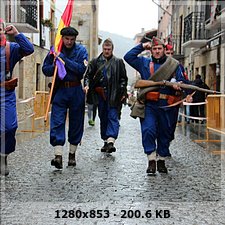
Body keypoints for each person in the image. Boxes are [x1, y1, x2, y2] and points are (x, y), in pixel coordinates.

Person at [124, 37, 191, 175]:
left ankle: (161, 159)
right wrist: (142, 46)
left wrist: (178, 85)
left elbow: (183, 80)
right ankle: (151, 159)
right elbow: (128, 57)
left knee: (165, 133)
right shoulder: (144, 63)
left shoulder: (174, 65)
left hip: (168, 105)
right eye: (154, 49)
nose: (157, 51)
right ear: (151, 50)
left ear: (164, 50)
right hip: (149, 104)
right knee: (148, 130)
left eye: (159, 49)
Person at [42, 26, 88, 169]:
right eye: (66, 39)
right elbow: (45, 69)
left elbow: (81, 69)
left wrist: (64, 60)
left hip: (75, 89)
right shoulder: (55, 50)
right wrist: (55, 64)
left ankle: (72, 155)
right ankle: (58, 156)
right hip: (60, 89)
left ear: (75, 39)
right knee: (57, 121)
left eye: (72, 39)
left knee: (76, 122)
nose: (69, 42)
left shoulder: (81, 51)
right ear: (62, 38)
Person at [0, 19, 34, 176]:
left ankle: (3, 155)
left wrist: (17, 34)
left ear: (4, 30)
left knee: (10, 127)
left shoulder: (10, 48)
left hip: (5, 94)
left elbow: (29, 49)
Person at [84, 38, 128, 153]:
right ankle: (105, 140)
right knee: (103, 118)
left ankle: (111, 141)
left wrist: (122, 91)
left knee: (113, 117)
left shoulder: (118, 62)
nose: (106, 51)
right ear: (102, 49)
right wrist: (87, 85)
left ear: (112, 49)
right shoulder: (95, 62)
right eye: (105, 49)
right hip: (99, 95)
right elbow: (88, 75)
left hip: (114, 95)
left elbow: (123, 78)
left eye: (108, 49)